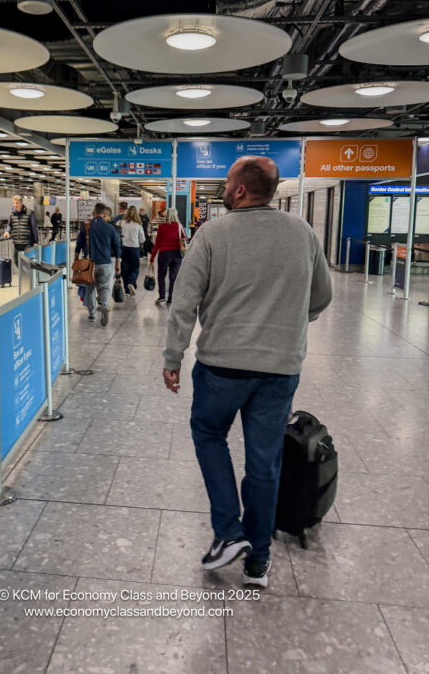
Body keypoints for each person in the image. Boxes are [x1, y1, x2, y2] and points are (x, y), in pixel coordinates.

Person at [161, 157, 332, 589]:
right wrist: (288, 324)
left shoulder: (213, 233)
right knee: (264, 462)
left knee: (208, 434)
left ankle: (228, 531)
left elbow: (183, 301)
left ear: (239, 190)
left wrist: (173, 356)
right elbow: (321, 297)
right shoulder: (304, 233)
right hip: (279, 370)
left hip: (221, 366)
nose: (223, 186)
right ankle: (258, 560)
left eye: (226, 181)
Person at [75, 203, 121, 326]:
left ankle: (92, 314)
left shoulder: (86, 227)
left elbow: (78, 245)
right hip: (105, 262)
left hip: (90, 265)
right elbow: (117, 247)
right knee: (105, 286)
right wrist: (118, 264)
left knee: (90, 289)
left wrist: (75, 262)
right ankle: (105, 306)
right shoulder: (110, 228)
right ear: (104, 214)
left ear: (94, 213)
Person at [149, 207, 186, 306]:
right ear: (176, 215)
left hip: (164, 254)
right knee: (173, 277)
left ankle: (161, 296)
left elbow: (157, 243)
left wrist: (152, 257)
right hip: (177, 254)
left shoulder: (162, 226)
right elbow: (184, 241)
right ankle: (171, 298)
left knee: (161, 274)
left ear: (167, 215)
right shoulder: (179, 226)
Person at [3, 194, 38, 267]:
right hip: (17, 243)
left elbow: (34, 227)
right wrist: (7, 231)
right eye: (14, 203)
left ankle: (28, 277)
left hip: (27, 242)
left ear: (21, 203)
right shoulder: (12, 214)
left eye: (17, 203)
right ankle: (22, 276)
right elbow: (10, 224)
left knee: (27, 262)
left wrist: (35, 241)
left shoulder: (29, 213)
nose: (15, 205)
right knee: (16, 261)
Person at [118, 205, 145, 295]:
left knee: (124, 269)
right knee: (134, 268)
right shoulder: (138, 224)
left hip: (123, 248)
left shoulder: (121, 223)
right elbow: (142, 239)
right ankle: (131, 282)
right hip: (134, 248)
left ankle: (127, 290)